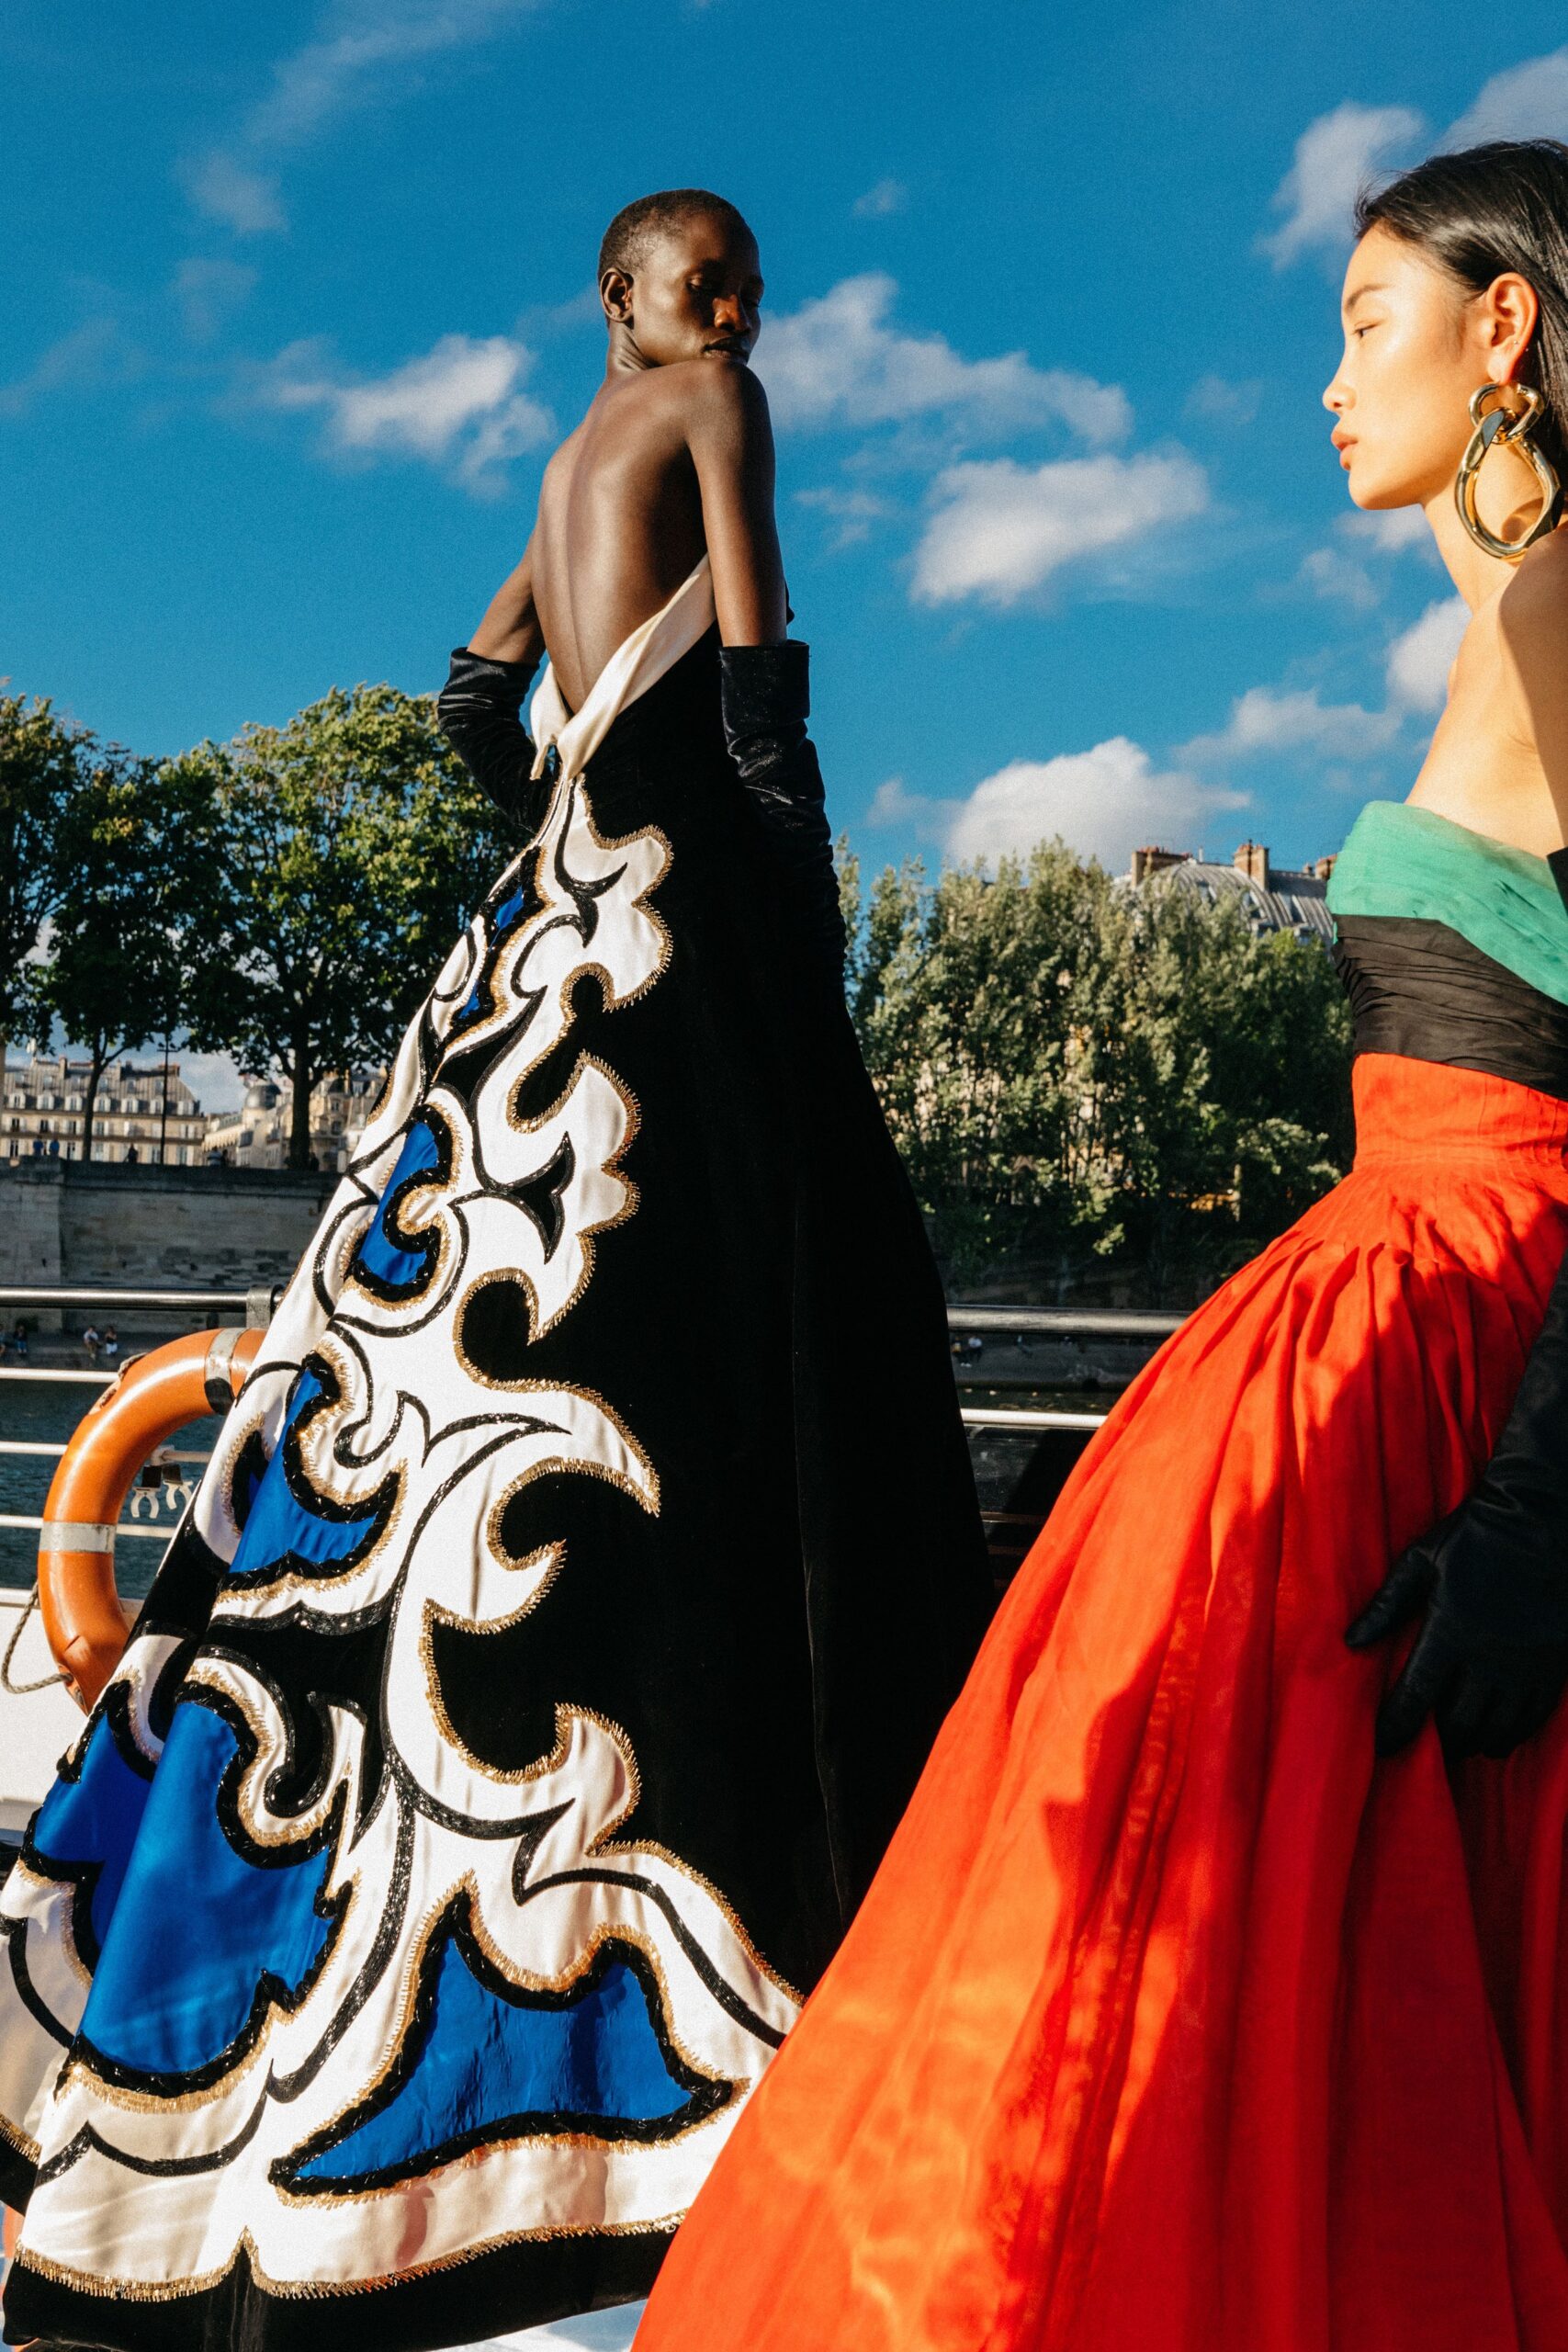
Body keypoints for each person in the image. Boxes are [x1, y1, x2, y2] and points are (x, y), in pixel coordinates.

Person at [0, 188, 988, 2352]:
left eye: (738, 282)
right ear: (636, 309)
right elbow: (754, 673)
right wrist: (789, 914)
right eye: (699, 286)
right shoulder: (716, 407)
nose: (730, 314)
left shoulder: (555, 464)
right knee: (764, 1319)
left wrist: (548, 833)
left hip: (533, 928)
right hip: (675, 903)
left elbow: (465, 699)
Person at [631, 140, 1568, 2352]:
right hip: (1408, 1324)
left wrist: (1536, 1495)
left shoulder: (1553, 607)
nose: (1327, 381)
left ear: (1500, 326)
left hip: (1466, 1350)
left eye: (1362, 321)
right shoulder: (1501, 610)